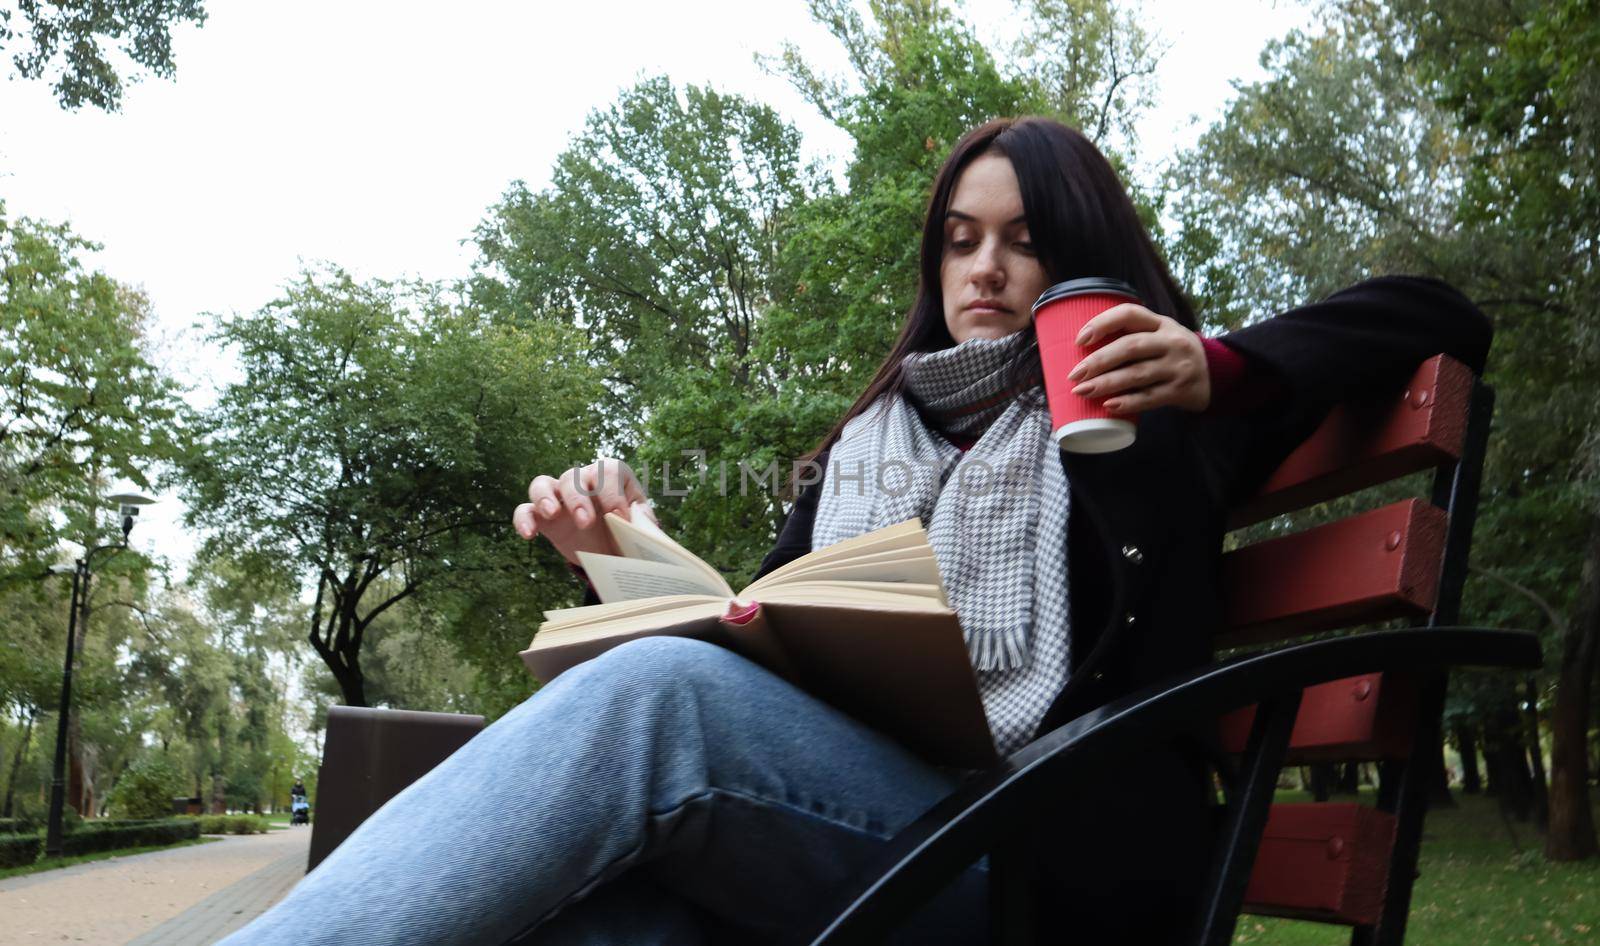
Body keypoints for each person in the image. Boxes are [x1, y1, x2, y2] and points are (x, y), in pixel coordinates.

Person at [220, 117, 1490, 945]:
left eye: (1025, 244)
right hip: (862, 843)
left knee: (660, 703)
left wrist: (1219, 365)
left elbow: (1435, 311)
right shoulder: (865, 446)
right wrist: (625, 556)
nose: (984, 269)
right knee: (600, 920)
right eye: (959, 241)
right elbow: (762, 632)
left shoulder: (1154, 410)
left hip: (1046, 875)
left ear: (1087, 262)